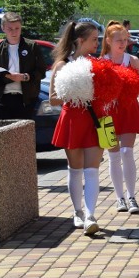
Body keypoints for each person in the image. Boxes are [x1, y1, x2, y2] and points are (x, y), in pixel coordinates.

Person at [48, 21, 103, 235]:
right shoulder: (62, 65)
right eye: (93, 40)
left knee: (92, 170)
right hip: (72, 118)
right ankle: (77, 211)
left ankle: (90, 215)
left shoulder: (96, 64)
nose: (97, 44)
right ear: (81, 41)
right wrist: (73, 92)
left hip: (94, 120)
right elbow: (53, 99)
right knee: (76, 168)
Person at [101, 22, 139, 214]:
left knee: (127, 152)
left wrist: (129, 88)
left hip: (128, 109)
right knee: (113, 155)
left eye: (125, 40)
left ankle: (132, 196)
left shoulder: (133, 60)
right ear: (108, 41)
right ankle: (119, 197)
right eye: (119, 40)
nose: (123, 43)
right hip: (107, 112)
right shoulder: (101, 61)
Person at [0, 11, 47, 119]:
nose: (14, 32)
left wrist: (25, 77)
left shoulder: (32, 47)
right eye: (10, 29)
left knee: (22, 134)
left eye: (17, 28)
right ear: (3, 28)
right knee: (0, 133)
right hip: (3, 98)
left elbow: (41, 71)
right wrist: (8, 77)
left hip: (25, 100)